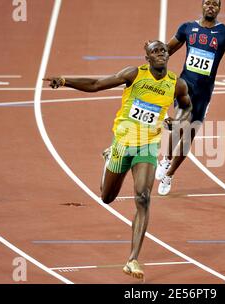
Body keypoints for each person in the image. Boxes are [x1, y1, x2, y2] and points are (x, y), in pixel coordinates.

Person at [44, 40, 192, 280]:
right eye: (155, 51)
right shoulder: (134, 75)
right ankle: (108, 157)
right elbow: (96, 84)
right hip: (122, 143)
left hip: (147, 145)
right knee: (107, 198)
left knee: (143, 198)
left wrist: (178, 120)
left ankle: (133, 259)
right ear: (147, 58)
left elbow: (187, 107)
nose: (160, 54)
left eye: (163, 50)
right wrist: (64, 80)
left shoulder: (177, 84)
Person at [155, 0, 225, 195]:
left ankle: (169, 174)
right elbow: (167, 50)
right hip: (185, 86)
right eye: (207, 3)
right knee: (180, 123)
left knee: (189, 135)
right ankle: (166, 158)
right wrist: (157, 65)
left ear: (219, 9)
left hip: (205, 92)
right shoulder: (187, 28)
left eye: (215, 4)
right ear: (202, 6)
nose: (211, 6)